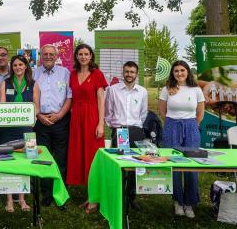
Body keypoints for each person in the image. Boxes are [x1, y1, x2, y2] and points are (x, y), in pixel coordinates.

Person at [158, 60, 205, 218]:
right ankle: (178, 201)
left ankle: (189, 203)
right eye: (176, 71)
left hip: (191, 126)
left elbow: (200, 113)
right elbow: (162, 111)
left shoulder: (196, 89)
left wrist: (193, 125)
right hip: (172, 126)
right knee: (174, 164)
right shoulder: (167, 89)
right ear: (172, 73)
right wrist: (172, 125)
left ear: (188, 72)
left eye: (182, 70)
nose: (179, 73)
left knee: (191, 165)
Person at [66, 44, 108, 212]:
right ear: (76, 56)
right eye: (80, 54)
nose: (83, 56)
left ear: (91, 56)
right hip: (76, 118)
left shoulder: (97, 74)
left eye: (86, 54)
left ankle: (96, 198)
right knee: (79, 154)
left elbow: (100, 100)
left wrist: (100, 123)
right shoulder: (72, 74)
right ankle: (89, 194)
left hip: (91, 117)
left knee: (92, 156)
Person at [105, 61, 148, 209]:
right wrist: (115, 126)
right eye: (127, 71)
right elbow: (108, 112)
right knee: (120, 165)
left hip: (136, 131)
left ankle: (131, 197)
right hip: (120, 131)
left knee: (136, 165)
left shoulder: (142, 91)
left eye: (132, 72)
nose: (129, 74)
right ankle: (119, 196)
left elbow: (143, 113)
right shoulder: (113, 90)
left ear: (136, 74)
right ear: (123, 72)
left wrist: (137, 127)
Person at [33, 44, 72, 207]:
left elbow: (69, 97)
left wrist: (60, 115)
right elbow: (31, 97)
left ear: (56, 56)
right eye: (45, 54)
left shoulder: (65, 73)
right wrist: (39, 115)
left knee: (61, 159)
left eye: (51, 54)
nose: (48, 56)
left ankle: (60, 192)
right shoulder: (34, 73)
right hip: (40, 122)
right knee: (44, 158)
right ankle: (47, 193)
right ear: (41, 56)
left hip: (60, 121)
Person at [0, 55, 34, 212]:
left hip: (27, 129)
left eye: (21, 64)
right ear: (11, 67)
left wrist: (31, 119)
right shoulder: (4, 83)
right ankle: (9, 200)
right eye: (15, 65)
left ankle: (22, 199)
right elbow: (2, 106)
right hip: (8, 128)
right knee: (7, 161)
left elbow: (36, 107)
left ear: (26, 66)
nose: (18, 67)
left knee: (23, 162)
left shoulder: (34, 84)